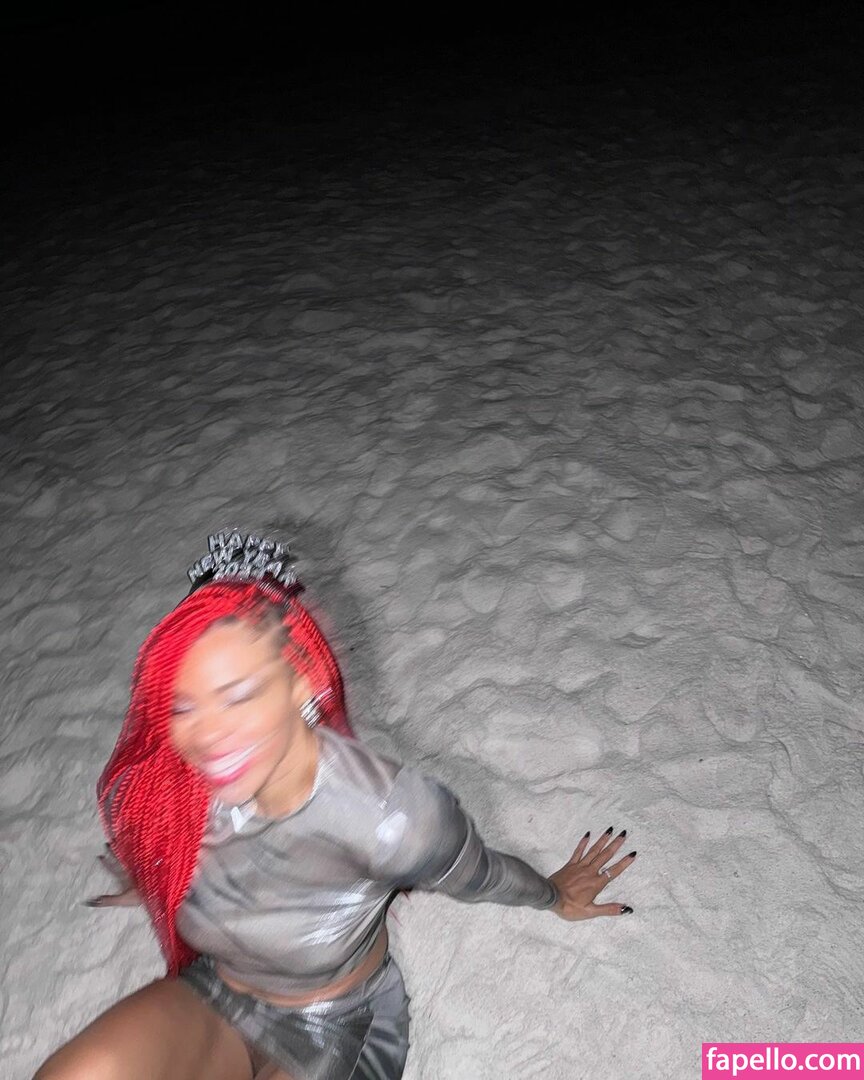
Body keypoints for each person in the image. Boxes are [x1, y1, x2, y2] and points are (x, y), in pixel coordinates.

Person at [34, 531, 637, 1080]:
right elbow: (165, 827)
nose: (207, 735)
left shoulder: (394, 817)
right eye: (184, 706)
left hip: (336, 1027)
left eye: (237, 695)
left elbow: (482, 876)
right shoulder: (180, 792)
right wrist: (157, 868)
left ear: (299, 677)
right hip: (216, 996)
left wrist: (556, 894)